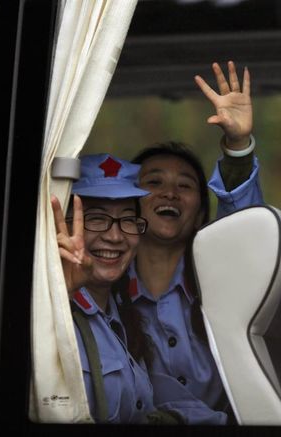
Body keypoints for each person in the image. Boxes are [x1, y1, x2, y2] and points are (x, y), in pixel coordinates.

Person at [119, 60, 264, 425]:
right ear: (127, 205)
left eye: (185, 185)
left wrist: (238, 144)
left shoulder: (224, 283)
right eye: (154, 182)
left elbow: (245, 230)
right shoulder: (104, 292)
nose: (170, 192)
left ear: (201, 213)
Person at [52, 153, 180, 424]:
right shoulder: (49, 309)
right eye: (96, 218)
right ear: (62, 224)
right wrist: (58, 297)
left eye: (127, 219)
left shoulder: (121, 314)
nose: (115, 236)